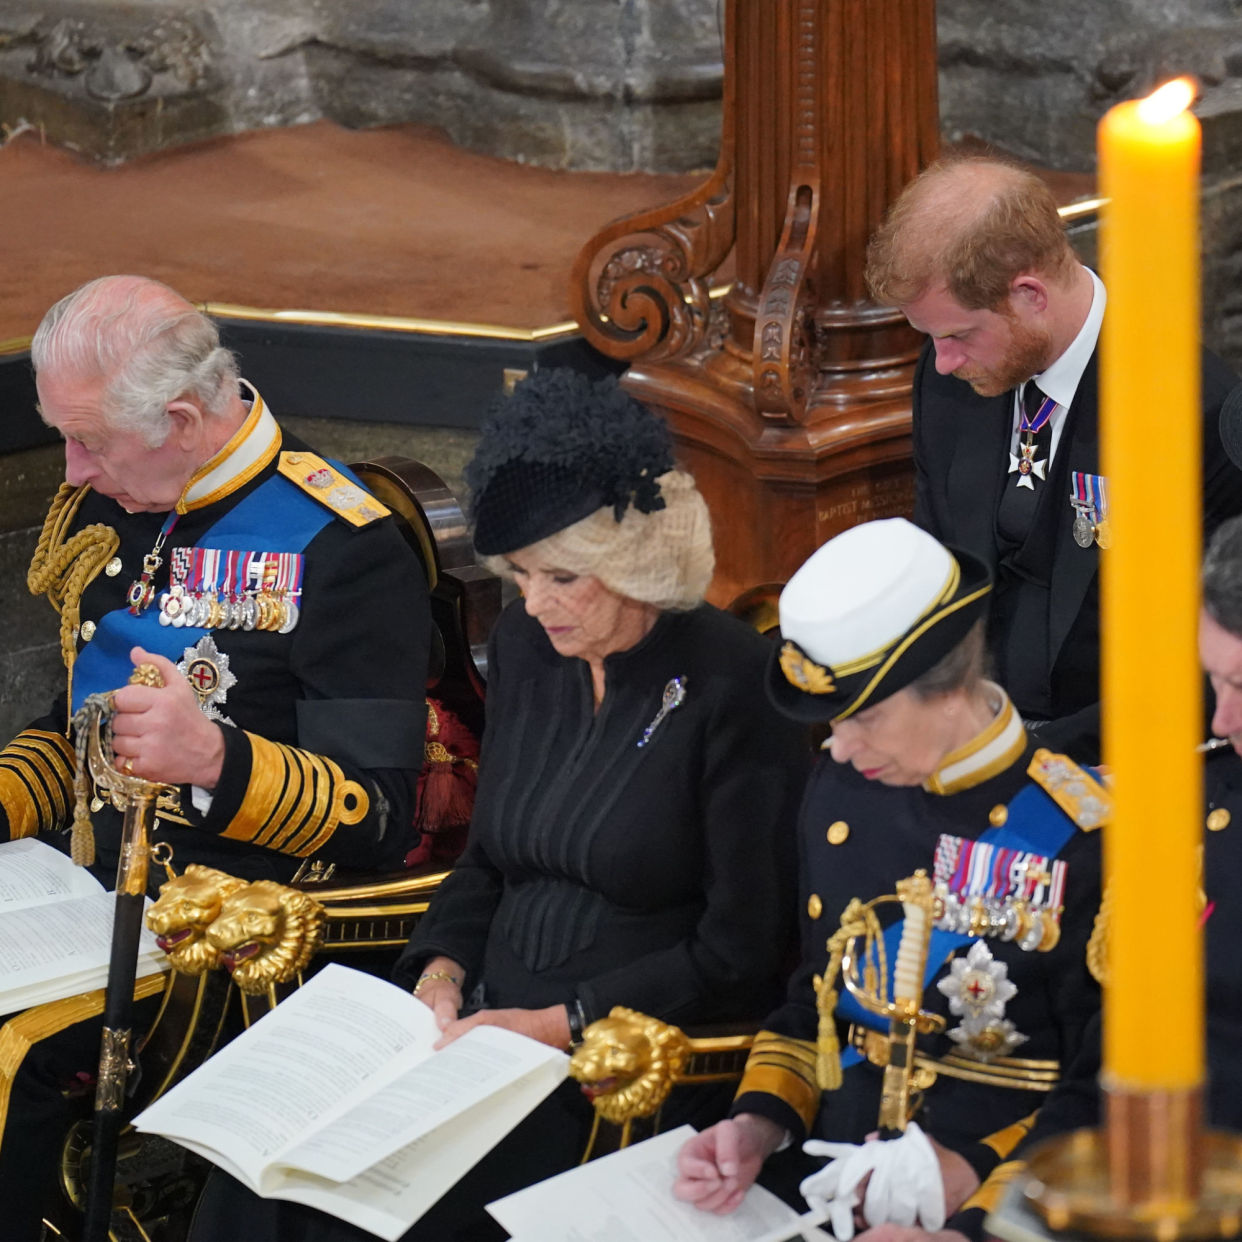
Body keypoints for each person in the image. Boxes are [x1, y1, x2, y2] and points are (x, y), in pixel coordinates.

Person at [190, 368, 810, 1240]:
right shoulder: (528, 647)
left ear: (638, 558)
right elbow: (485, 859)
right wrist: (439, 975)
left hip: (620, 1063)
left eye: (562, 578)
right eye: (519, 574)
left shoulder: (732, 683)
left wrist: (549, 1025)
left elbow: (739, 950)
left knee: (360, 1215)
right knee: (260, 1177)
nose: (534, 603)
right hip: (474, 1035)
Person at [0, 276, 431, 1237]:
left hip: (219, 942)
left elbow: (383, 813)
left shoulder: (339, 544)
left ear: (182, 419)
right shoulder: (117, 499)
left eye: (90, 443)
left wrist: (216, 761)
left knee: (16, 1057)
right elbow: (68, 727)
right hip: (74, 895)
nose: (69, 471)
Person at [674, 516, 1103, 1236]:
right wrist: (759, 1122)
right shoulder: (842, 792)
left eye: (862, 717)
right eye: (830, 723)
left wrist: (972, 1223)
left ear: (951, 686)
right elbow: (814, 1003)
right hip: (822, 1183)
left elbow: (1107, 1099)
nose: (839, 749)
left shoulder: (1090, 843)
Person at [919, 512, 1242, 1242]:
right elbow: (1101, 1074)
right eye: (1212, 681)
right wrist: (978, 1230)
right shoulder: (1188, 808)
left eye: (1240, 683)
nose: (1222, 717)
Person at [865, 156, 1242, 765]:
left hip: (1118, 762)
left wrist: (1035, 755)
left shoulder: (1196, 414)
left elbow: (1211, 658)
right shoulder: (951, 379)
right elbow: (935, 561)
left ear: (1029, 295)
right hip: (965, 736)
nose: (941, 363)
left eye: (959, 335)